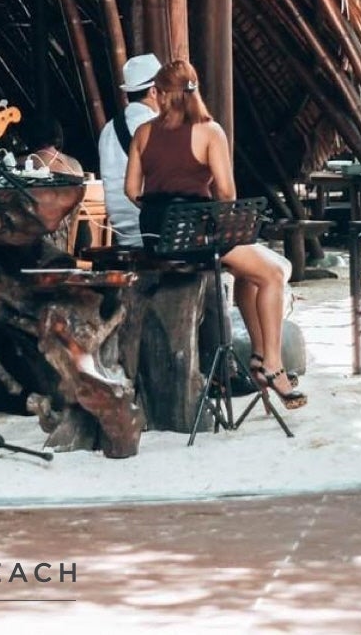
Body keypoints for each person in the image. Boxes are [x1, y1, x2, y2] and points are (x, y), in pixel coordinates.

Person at [125, 61, 306, 410]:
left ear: (161, 94)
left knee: (249, 270)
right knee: (271, 274)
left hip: (157, 237)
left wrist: (164, 207)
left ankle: (257, 356)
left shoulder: (143, 133)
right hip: (197, 234)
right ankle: (272, 363)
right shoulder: (210, 132)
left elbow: (132, 189)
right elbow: (225, 192)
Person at [98, 52, 161, 248]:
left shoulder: (108, 129)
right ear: (153, 91)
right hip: (155, 231)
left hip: (123, 232)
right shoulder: (155, 126)